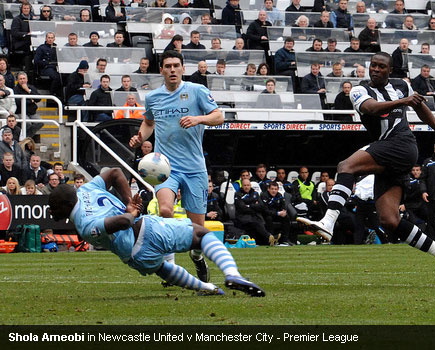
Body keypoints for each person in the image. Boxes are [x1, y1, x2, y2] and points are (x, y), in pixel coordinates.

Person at [297, 51, 435, 287]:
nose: (375, 69)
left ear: (390, 70)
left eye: (381, 67)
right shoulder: (359, 90)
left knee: (346, 166)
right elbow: (373, 109)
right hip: (387, 149)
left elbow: (420, 108)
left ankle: (328, 221)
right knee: (389, 220)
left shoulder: (401, 86)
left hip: (402, 145)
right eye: (372, 65)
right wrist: (404, 101)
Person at [48, 168, 265, 296]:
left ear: (65, 207)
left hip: (136, 256)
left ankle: (208, 288)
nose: (52, 211)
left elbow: (123, 220)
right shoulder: (86, 190)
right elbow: (115, 176)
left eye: (53, 208)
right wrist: (130, 207)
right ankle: (232, 275)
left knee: (162, 268)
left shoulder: (83, 225)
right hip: (145, 230)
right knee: (201, 234)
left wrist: (129, 209)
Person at [129, 51, 223, 280]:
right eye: (168, 66)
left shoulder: (196, 91)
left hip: (194, 167)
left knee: (198, 229)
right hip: (165, 166)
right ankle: (171, 268)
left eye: (176, 65)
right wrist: (140, 136)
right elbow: (149, 122)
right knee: (165, 210)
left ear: (182, 68)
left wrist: (198, 119)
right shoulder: (153, 97)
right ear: (161, 70)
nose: (172, 70)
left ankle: (197, 257)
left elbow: (219, 116)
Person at [234, 178, 279, 246]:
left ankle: (268, 241)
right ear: (242, 186)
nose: (246, 187)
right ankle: (269, 237)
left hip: (255, 216)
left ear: (250, 185)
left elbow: (261, 206)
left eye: (248, 185)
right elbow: (242, 208)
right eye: (245, 185)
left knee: (262, 221)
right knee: (256, 223)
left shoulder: (255, 193)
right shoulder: (238, 194)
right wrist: (255, 205)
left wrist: (249, 205)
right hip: (242, 217)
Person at [13, 72, 43, 138]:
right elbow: (18, 102)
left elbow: (38, 99)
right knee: (27, 123)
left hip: (32, 112)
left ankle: (27, 137)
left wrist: (28, 90)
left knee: (40, 122)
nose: (22, 80)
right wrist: (31, 100)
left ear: (27, 79)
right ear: (17, 80)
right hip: (21, 112)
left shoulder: (31, 87)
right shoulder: (15, 89)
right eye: (20, 79)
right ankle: (27, 138)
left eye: (24, 78)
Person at [34, 32, 62, 99]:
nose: (50, 39)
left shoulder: (57, 48)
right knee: (56, 77)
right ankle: (52, 94)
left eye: (52, 38)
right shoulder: (41, 48)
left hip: (56, 67)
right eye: (49, 38)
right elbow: (36, 61)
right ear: (46, 38)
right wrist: (47, 63)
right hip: (45, 68)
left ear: (54, 39)